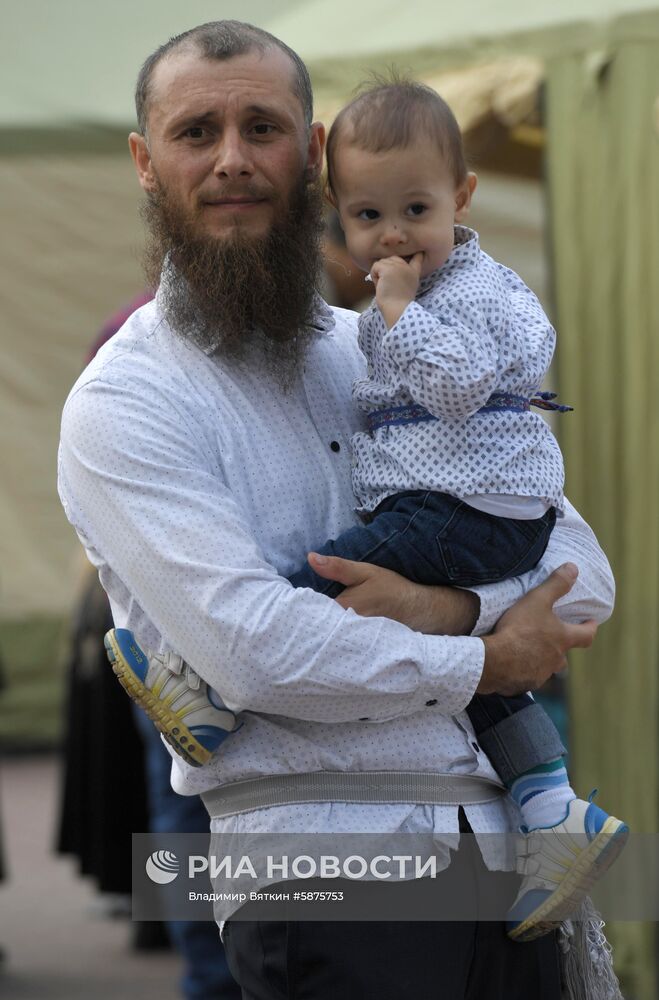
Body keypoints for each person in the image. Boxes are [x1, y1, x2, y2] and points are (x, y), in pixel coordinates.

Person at [59, 20, 616, 999]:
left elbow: (579, 572)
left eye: (261, 126)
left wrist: (446, 610)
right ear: (146, 164)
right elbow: (257, 653)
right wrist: (489, 655)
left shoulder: (401, 344)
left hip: (501, 858)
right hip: (327, 875)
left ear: (312, 153)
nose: (233, 158)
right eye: (197, 133)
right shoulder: (127, 401)